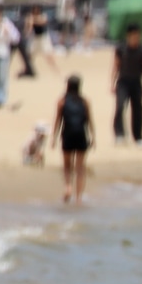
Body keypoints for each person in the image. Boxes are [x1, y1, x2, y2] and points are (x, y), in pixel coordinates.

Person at [50, 74, 94, 204]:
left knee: (67, 165)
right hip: (81, 135)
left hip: (67, 135)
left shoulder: (62, 101)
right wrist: (93, 137)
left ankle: (68, 187)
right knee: (80, 168)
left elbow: (57, 120)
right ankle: (79, 197)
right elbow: (90, 120)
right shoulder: (85, 101)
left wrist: (54, 138)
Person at [112, 23, 142, 145]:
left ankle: (138, 137)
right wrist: (112, 83)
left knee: (138, 109)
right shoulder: (121, 48)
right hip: (123, 82)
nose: (137, 37)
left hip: (137, 82)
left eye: (138, 35)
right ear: (129, 35)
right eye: (134, 35)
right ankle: (119, 134)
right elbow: (116, 66)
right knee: (120, 106)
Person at [27, 5, 59, 75]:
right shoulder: (31, 17)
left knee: (49, 55)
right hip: (36, 38)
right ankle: (28, 70)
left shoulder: (42, 16)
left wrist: (33, 20)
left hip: (43, 38)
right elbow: (29, 27)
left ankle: (56, 70)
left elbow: (43, 21)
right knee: (29, 55)